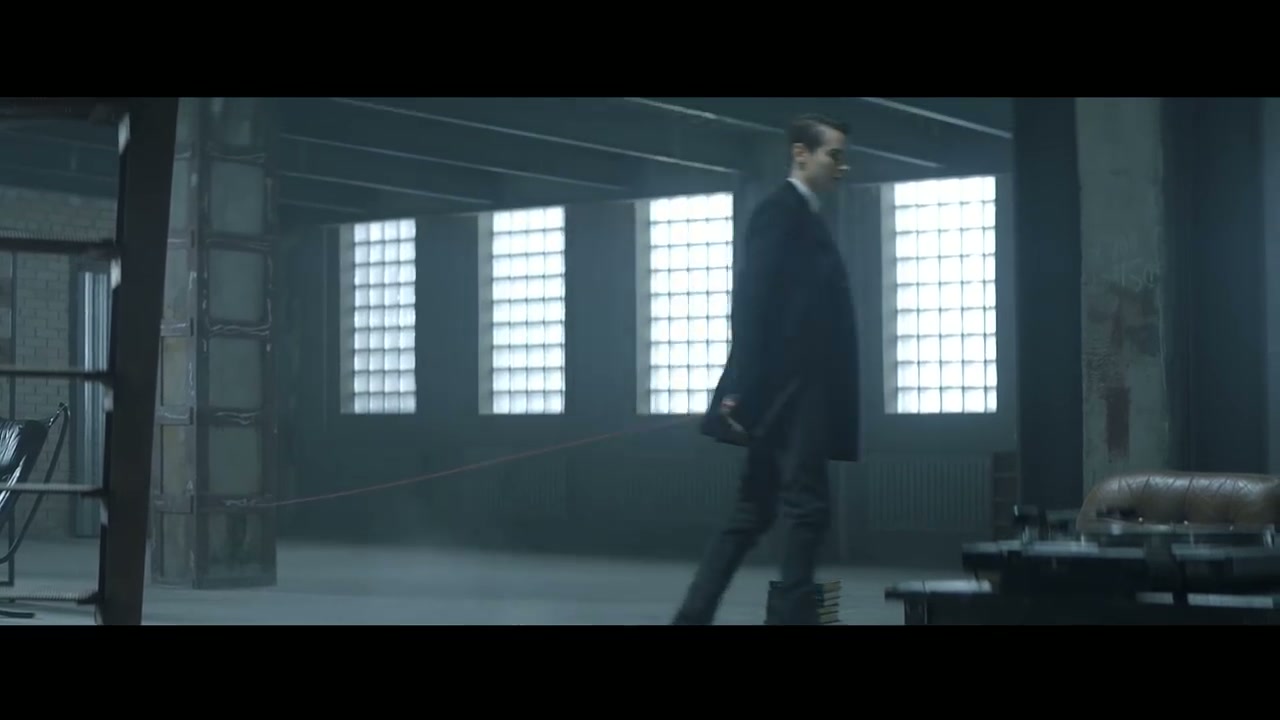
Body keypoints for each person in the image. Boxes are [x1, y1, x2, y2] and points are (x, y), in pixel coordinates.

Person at [671, 114, 860, 625]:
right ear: (801, 154)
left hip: (790, 391)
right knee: (806, 509)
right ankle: (792, 619)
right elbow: (752, 303)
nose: (842, 166)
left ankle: (692, 617)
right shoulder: (779, 212)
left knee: (752, 511)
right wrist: (742, 388)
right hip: (789, 393)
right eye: (833, 155)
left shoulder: (806, 218)